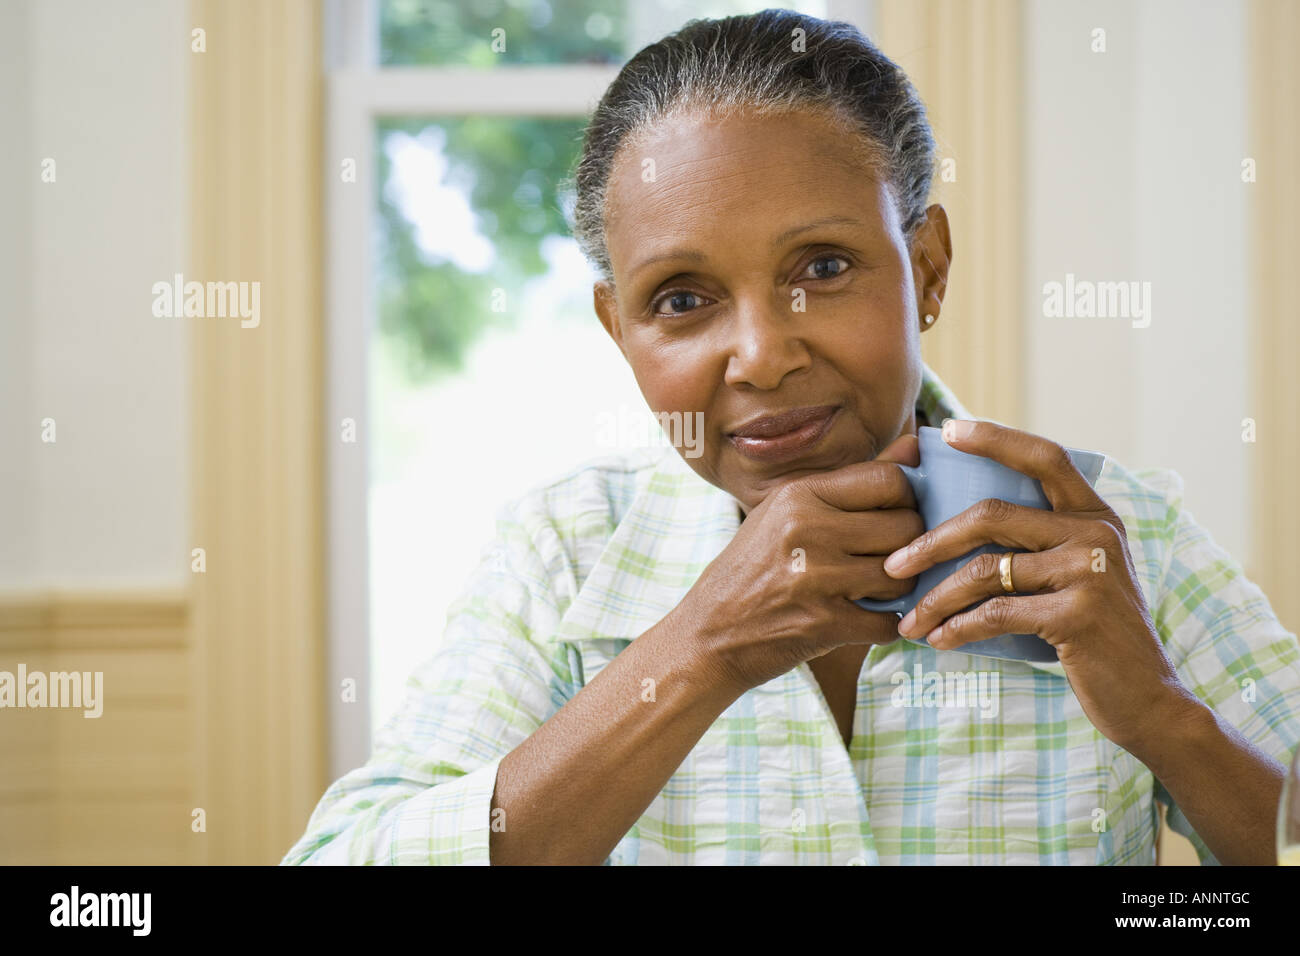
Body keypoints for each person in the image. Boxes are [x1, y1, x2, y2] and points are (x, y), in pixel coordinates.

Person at [282, 9, 1300, 865]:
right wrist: (700, 647)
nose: (761, 355)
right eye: (681, 298)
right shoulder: (564, 552)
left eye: (821, 267)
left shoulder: (1119, 536)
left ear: (928, 267)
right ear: (618, 329)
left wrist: (1165, 717)